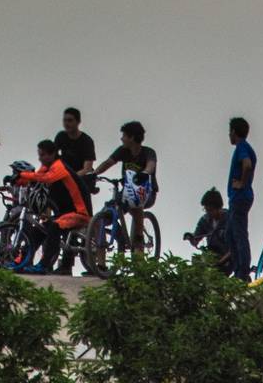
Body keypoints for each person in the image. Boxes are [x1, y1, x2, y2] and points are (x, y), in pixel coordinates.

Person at [14, 140, 91, 274]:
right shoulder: (47, 166)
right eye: (39, 155)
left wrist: (22, 174)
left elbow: (47, 178)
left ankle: (45, 265)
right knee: (39, 229)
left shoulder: (59, 167)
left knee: (55, 226)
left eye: (43, 155)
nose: (40, 158)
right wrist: (17, 179)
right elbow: (37, 176)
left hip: (79, 213)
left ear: (53, 154)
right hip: (64, 213)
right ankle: (21, 261)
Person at [92, 120, 158, 253]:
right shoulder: (123, 151)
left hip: (147, 191)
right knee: (104, 215)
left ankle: (139, 237)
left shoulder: (148, 152)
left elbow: (151, 165)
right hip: (128, 191)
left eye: (124, 136)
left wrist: (145, 173)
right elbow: (108, 163)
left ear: (132, 137)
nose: (121, 139)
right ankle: (102, 263)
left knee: (136, 204)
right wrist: (93, 174)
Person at [54, 108, 97, 272]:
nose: (67, 123)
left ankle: (94, 263)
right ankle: (65, 264)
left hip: (80, 186)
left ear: (78, 122)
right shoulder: (60, 137)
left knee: (86, 224)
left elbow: (88, 167)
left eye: (70, 120)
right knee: (63, 223)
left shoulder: (86, 141)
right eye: (65, 120)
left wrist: (71, 176)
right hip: (63, 187)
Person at [226, 116, 257, 280]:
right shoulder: (244, 147)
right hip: (238, 198)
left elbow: (247, 164)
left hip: (240, 197)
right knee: (230, 234)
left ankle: (242, 271)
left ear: (234, 132)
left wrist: (241, 183)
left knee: (239, 235)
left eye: (229, 132)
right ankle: (238, 267)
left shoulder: (242, 147)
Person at [183, 188, 231, 272]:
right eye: (206, 210)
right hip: (212, 256)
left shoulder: (230, 219)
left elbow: (234, 247)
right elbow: (196, 239)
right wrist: (190, 238)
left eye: (210, 210)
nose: (208, 213)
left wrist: (220, 262)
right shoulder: (204, 220)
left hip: (228, 259)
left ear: (219, 207)